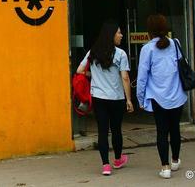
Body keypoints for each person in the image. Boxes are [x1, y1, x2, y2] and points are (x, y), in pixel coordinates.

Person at [76, 22, 133, 176]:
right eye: (119, 33)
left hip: (98, 98)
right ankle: (118, 160)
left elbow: (79, 70)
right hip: (116, 98)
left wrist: (93, 74)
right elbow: (125, 78)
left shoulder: (93, 52)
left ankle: (105, 166)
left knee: (102, 131)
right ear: (111, 35)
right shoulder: (120, 54)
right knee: (116, 130)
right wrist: (129, 100)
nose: (121, 35)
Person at [136, 14, 188, 179]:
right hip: (177, 95)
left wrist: (140, 98)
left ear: (149, 30)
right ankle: (175, 160)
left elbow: (142, 77)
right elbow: (182, 65)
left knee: (162, 131)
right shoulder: (175, 43)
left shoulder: (147, 49)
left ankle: (165, 168)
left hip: (158, 97)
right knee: (175, 129)